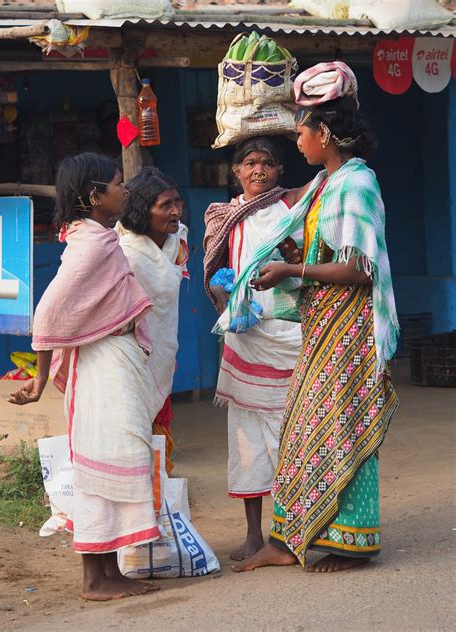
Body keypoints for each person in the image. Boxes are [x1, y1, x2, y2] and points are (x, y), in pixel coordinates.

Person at [229, 62, 400, 573]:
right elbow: (315, 244)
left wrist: (291, 265)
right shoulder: (324, 185)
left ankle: (352, 544)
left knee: (343, 428)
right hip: (322, 327)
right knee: (306, 430)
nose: (297, 140)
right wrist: (279, 254)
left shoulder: (356, 183)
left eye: (302, 129)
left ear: (323, 132)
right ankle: (287, 541)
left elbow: (358, 268)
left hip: (348, 332)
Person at [9, 153, 161, 600]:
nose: (125, 190)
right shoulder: (94, 243)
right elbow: (50, 312)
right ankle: (95, 579)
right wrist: (38, 381)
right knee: (105, 467)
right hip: (103, 369)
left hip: (108, 363)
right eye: (117, 184)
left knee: (109, 465)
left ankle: (108, 572)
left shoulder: (95, 236)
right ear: (95, 196)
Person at [204, 137, 307, 561]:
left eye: (267, 163)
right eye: (250, 163)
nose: (258, 170)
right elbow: (214, 271)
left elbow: (303, 263)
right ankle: (252, 535)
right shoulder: (224, 217)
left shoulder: (292, 211)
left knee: (291, 435)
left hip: (286, 336)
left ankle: (292, 530)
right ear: (236, 172)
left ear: (280, 171)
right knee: (245, 438)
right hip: (245, 338)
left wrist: (289, 255)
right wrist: (219, 291)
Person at [116, 167, 189, 475]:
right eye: (165, 205)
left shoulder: (176, 241)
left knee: (159, 426)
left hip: (163, 349)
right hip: (131, 357)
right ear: (143, 212)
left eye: (177, 202)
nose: (175, 211)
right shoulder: (123, 252)